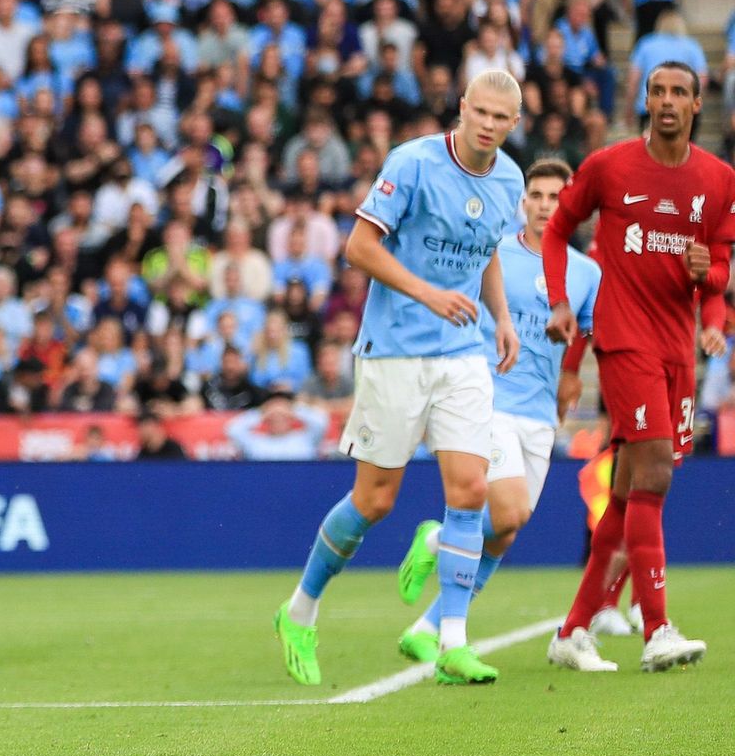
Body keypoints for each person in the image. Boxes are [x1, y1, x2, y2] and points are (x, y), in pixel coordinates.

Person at [273, 70, 525, 687]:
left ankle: (451, 642)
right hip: (393, 352)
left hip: (462, 354)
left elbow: (488, 249)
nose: (489, 124)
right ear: (462, 107)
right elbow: (359, 248)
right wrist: (428, 293)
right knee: (375, 501)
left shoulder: (510, 179)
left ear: (514, 124)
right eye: (481, 112)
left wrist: (500, 316)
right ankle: (299, 610)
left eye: (501, 117)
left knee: (470, 490)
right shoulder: (412, 163)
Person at [542, 61, 732, 673]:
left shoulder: (720, 179)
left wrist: (710, 286)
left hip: (678, 350)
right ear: (645, 100)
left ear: (698, 104)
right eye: (658, 91)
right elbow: (557, 230)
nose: (667, 100)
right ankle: (657, 629)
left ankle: (573, 629)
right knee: (653, 474)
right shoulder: (608, 166)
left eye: (679, 92)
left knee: (629, 493)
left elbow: (719, 266)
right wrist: (561, 301)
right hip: (624, 340)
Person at [392, 160, 601, 662]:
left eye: (556, 197)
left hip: (540, 413)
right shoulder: (494, 254)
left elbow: (584, 331)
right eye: (537, 196)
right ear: (523, 202)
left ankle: (425, 626)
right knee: (508, 511)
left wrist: (571, 375)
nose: (545, 206)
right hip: (487, 400)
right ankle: (438, 540)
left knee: (505, 531)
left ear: (571, 206)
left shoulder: (586, 272)